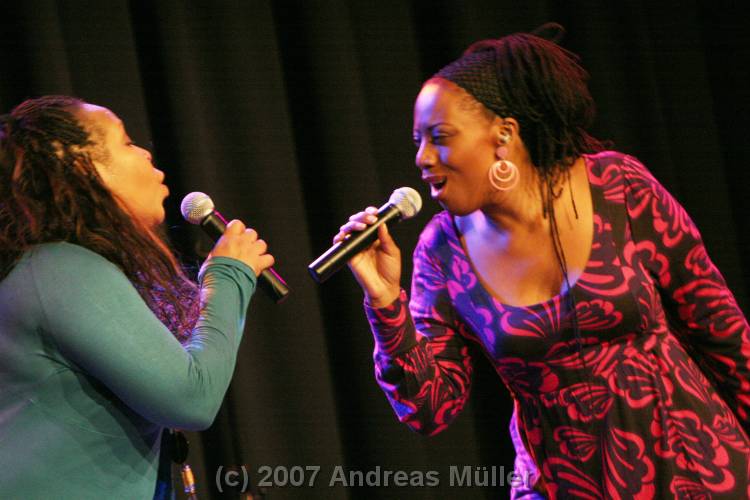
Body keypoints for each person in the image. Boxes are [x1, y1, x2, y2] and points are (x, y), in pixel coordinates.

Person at [335, 27, 750, 498]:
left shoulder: (619, 187)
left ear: (504, 135)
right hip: (560, 486)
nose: (422, 158)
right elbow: (430, 409)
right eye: (418, 141)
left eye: (440, 137)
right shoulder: (443, 251)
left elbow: (723, 333)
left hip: (693, 470)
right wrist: (385, 302)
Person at [0, 96, 274, 497]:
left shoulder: (57, 267)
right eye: (126, 142)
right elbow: (192, 398)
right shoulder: (62, 269)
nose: (146, 153)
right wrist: (228, 274)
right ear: (79, 163)